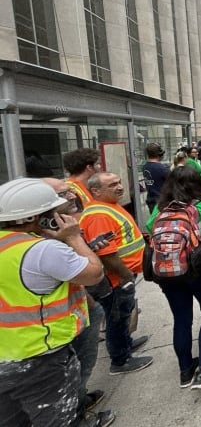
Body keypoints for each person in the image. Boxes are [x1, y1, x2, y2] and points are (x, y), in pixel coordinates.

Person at [0, 178, 112, 427]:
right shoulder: (42, 250)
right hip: (39, 358)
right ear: (38, 218)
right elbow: (94, 273)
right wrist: (73, 238)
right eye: (55, 212)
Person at [147, 165, 201, 389]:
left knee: (181, 319)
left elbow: (149, 228)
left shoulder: (160, 208)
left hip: (169, 272)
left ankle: (185, 371)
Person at [41, 178, 111, 420]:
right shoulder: (46, 242)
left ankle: (78, 399)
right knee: (68, 373)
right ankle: (76, 412)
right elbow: (93, 274)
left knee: (77, 367)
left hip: (73, 311)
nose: (71, 195)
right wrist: (74, 238)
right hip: (53, 328)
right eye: (62, 194)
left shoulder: (56, 231)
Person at [80, 172, 153, 375]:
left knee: (123, 313)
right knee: (117, 317)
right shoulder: (98, 216)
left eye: (119, 182)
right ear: (96, 191)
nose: (119, 187)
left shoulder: (108, 206)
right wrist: (125, 275)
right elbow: (106, 254)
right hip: (116, 279)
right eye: (112, 185)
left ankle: (125, 343)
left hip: (124, 274)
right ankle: (120, 360)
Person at [142, 143, 170, 213]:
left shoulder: (145, 166)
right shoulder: (163, 168)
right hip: (162, 201)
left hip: (151, 200)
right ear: (160, 154)